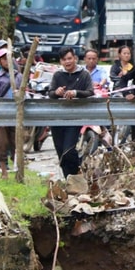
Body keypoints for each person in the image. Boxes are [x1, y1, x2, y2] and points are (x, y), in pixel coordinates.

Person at [49, 47, 95, 177]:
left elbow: (90, 91)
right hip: (57, 119)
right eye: (64, 60)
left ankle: (78, 168)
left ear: (75, 58)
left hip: (75, 118)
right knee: (61, 153)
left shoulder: (84, 74)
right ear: (60, 61)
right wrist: (57, 92)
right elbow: (50, 93)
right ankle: (69, 180)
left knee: (68, 150)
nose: (67, 62)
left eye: (69, 58)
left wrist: (76, 93)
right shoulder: (58, 75)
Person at [0, 48, 21, 178]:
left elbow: (25, 92)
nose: (7, 61)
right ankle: (4, 171)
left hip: (15, 113)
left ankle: (18, 170)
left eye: (9, 58)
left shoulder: (19, 76)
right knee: (1, 142)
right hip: (0, 114)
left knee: (16, 142)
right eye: (4, 59)